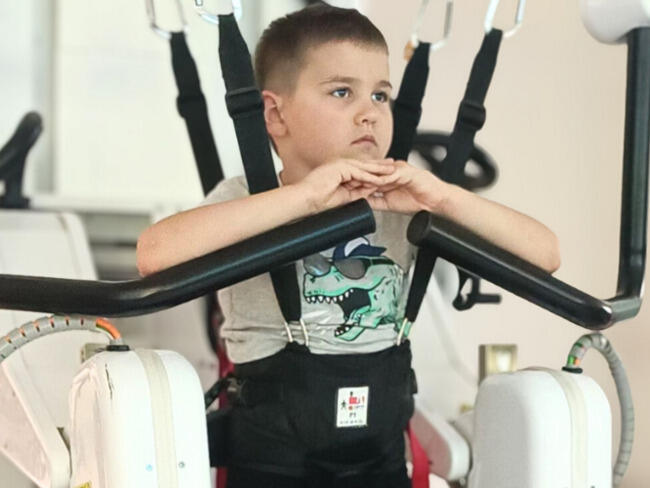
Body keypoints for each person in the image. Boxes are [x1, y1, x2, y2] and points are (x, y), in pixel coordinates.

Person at [136, 4, 560, 487]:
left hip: (379, 462)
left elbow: (544, 254)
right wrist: (306, 197)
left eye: (381, 95)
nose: (369, 113)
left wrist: (442, 197)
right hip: (272, 465)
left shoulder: (401, 206)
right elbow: (154, 255)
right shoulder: (248, 199)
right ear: (275, 115)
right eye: (342, 92)